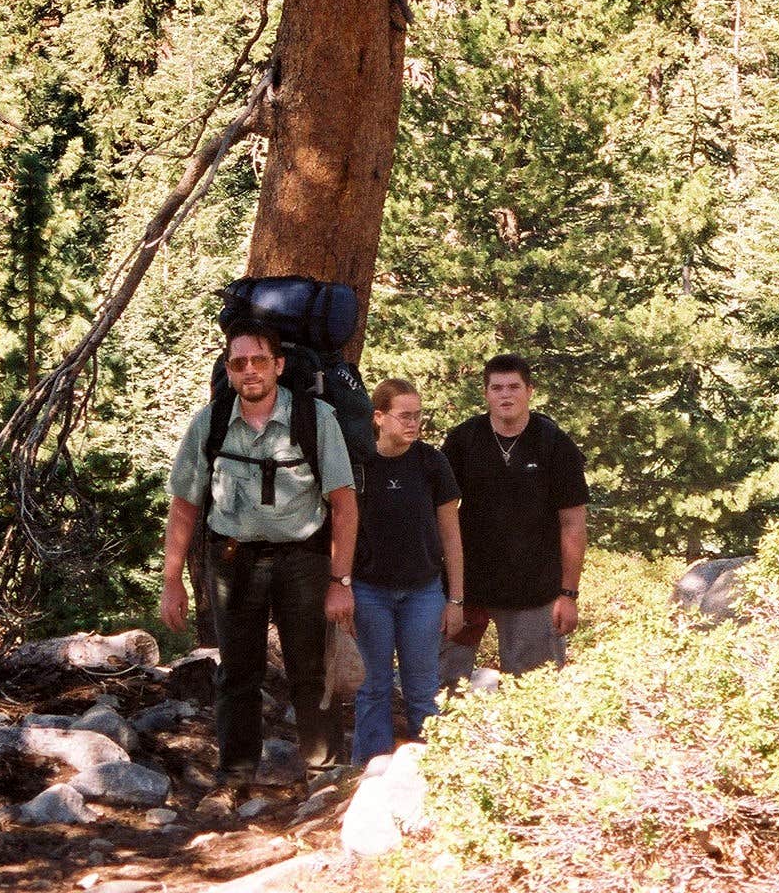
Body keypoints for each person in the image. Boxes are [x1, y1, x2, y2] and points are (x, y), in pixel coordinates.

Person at [159, 321, 358, 786]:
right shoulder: (209, 423)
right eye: (239, 362)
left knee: (310, 671)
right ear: (228, 370)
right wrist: (171, 580)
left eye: (259, 361)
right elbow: (185, 507)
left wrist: (339, 581)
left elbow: (345, 506)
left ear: (279, 366)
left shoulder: (315, 419)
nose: (250, 371)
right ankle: (235, 776)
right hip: (231, 562)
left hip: (303, 560)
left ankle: (323, 775)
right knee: (237, 673)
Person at [439, 353, 588, 686]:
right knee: (440, 687)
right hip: (468, 591)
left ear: (529, 391)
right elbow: (439, 514)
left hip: (533, 592)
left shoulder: (555, 445)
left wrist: (569, 594)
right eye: (497, 388)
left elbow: (574, 525)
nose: (505, 395)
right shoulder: (464, 440)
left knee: (533, 692)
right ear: (486, 393)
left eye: (513, 387)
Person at [349, 378, 465, 766]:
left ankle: (432, 770)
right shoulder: (359, 464)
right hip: (369, 590)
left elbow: (451, 533)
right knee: (374, 686)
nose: (413, 424)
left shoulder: (432, 462)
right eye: (404, 416)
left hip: (423, 591)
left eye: (417, 416)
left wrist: (456, 598)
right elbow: (340, 528)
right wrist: (340, 586)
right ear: (379, 418)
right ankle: (369, 769)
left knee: (422, 687)